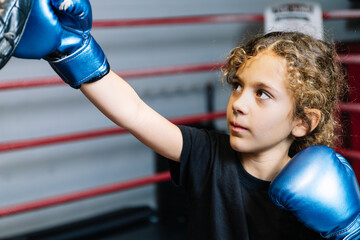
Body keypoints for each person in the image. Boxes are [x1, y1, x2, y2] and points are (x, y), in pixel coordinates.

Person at [11, 0, 360, 239]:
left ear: (303, 122)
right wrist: (71, 50)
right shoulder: (207, 154)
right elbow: (134, 113)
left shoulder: (321, 191)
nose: (238, 104)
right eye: (238, 86)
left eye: (262, 94)